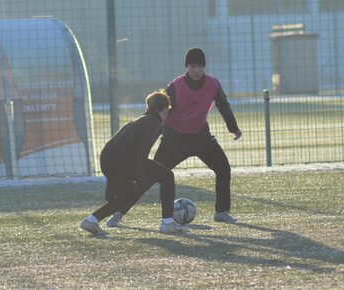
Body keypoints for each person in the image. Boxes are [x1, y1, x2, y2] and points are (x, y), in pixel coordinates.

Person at [107, 48, 242, 227]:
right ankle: (119, 211)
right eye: (193, 66)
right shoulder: (176, 87)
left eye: (200, 66)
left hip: (201, 137)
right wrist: (145, 133)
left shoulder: (213, 84)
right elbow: (156, 111)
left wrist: (233, 127)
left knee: (223, 168)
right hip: (174, 140)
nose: (197, 70)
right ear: (187, 67)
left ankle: (221, 212)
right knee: (148, 177)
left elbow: (223, 105)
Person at [80, 90, 189, 235]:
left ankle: (91, 221)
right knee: (167, 176)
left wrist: (111, 184)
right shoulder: (154, 123)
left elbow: (114, 147)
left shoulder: (139, 120)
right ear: (164, 109)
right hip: (122, 162)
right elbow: (143, 148)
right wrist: (139, 173)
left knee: (129, 196)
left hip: (108, 160)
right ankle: (167, 223)